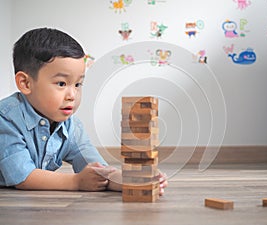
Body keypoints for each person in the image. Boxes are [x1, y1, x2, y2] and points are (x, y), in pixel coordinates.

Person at [0, 27, 168, 194]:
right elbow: (23, 177)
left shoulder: (71, 126)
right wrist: (75, 181)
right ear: (25, 83)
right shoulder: (6, 118)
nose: (72, 95)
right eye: (61, 84)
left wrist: (131, 180)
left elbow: (98, 170)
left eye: (78, 84)